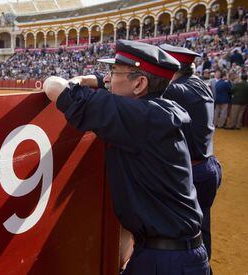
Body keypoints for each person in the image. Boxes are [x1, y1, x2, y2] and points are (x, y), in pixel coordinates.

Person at [43, 40, 208, 274]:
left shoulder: (140, 117)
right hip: (168, 253)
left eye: (114, 71)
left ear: (140, 83)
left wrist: (75, 81)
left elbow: (54, 87)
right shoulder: (155, 112)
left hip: (166, 262)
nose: (107, 78)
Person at [159, 44, 223, 266]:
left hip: (192, 173)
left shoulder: (176, 90)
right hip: (207, 167)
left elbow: (139, 87)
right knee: (201, 228)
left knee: (181, 236)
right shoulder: (199, 84)